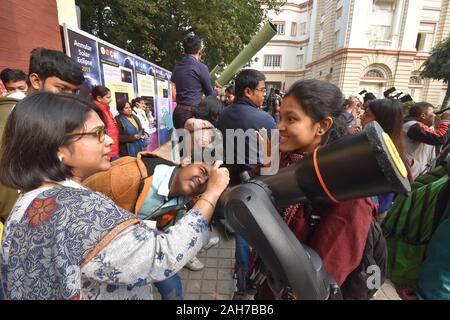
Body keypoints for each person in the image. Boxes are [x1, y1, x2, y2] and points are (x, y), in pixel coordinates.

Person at [0, 92, 229, 300]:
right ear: (58, 148)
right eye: (97, 134)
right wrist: (214, 191)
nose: (110, 140)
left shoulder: (30, 199)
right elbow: (162, 256)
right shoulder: (82, 208)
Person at [249, 80, 378, 300]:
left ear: (322, 125)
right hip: (268, 280)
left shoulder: (348, 191)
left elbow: (322, 276)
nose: (279, 126)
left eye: (291, 119)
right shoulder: (285, 158)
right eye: (280, 117)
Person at [83, 153, 222, 299]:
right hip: (98, 249)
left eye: (208, 183)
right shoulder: (127, 176)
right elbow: (80, 198)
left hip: (139, 245)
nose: (201, 180)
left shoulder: (187, 200)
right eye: (202, 171)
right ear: (186, 162)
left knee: (173, 286)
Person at [1, 48, 85, 222]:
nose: (69, 98)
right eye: (62, 88)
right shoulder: (11, 118)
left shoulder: (53, 116)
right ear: (36, 81)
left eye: (74, 91)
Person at [217, 69, 276, 299]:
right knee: (255, 231)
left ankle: (241, 279)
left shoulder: (224, 114)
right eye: (262, 90)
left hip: (231, 178)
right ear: (248, 91)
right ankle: (250, 280)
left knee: (241, 227)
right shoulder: (265, 119)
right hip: (256, 180)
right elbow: (274, 158)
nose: (264, 95)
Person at [360, 99, 412, 218]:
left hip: (370, 212)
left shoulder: (374, 149)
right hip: (381, 208)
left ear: (381, 122)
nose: (362, 117)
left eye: (367, 115)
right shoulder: (394, 145)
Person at [171, 34, 216, 129]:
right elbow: (210, 95)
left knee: (182, 142)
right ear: (199, 51)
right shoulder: (201, 67)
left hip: (177, 113)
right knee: (193, 143)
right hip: (191, 115)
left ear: (184, 51)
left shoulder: (177, 67)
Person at [403, 102, 450, 179]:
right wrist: (446, 121)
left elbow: (443, 141)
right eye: (432, 112)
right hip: (407, 174)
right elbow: (439, 138)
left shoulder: (415, 126)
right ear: (423, 116)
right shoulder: (411, 125)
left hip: (412, 174)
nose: (435, 115)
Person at [91, 86, 119, 160]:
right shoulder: (96, 111)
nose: (111, 99)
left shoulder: (106, 109)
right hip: (106, 151)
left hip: (111, 148)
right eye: (108, 97)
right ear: (99, 98)